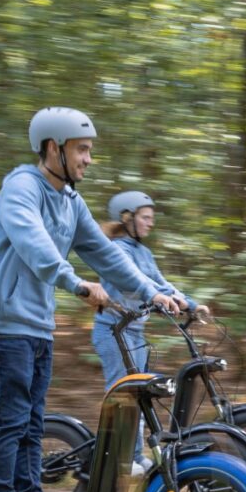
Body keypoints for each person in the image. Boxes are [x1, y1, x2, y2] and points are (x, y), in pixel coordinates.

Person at [0, 108, 179, 492]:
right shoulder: (21, 188)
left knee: (31, 423)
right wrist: (76, 283)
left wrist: (153, 292)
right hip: (4, 325)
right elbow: (33, 243)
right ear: (54, 148)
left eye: (89, 151)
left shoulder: (71, 201)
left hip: (37, 326)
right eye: (82, 150)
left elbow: (106, 255)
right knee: (9, 421)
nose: (88, 159)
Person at [91, 191, 210, 476]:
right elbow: (135, 281)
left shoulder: (143, 252)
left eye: (151, 219)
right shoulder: (117, 250)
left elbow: (159, 282)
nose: (150, 223)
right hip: (113, 331)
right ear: (126, 218)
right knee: (124, 396)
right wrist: (158, 296)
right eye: (145, 218)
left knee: (140, 395)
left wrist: (189, 304)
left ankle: (133, 457)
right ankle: (117, 460)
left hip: (135, 334)